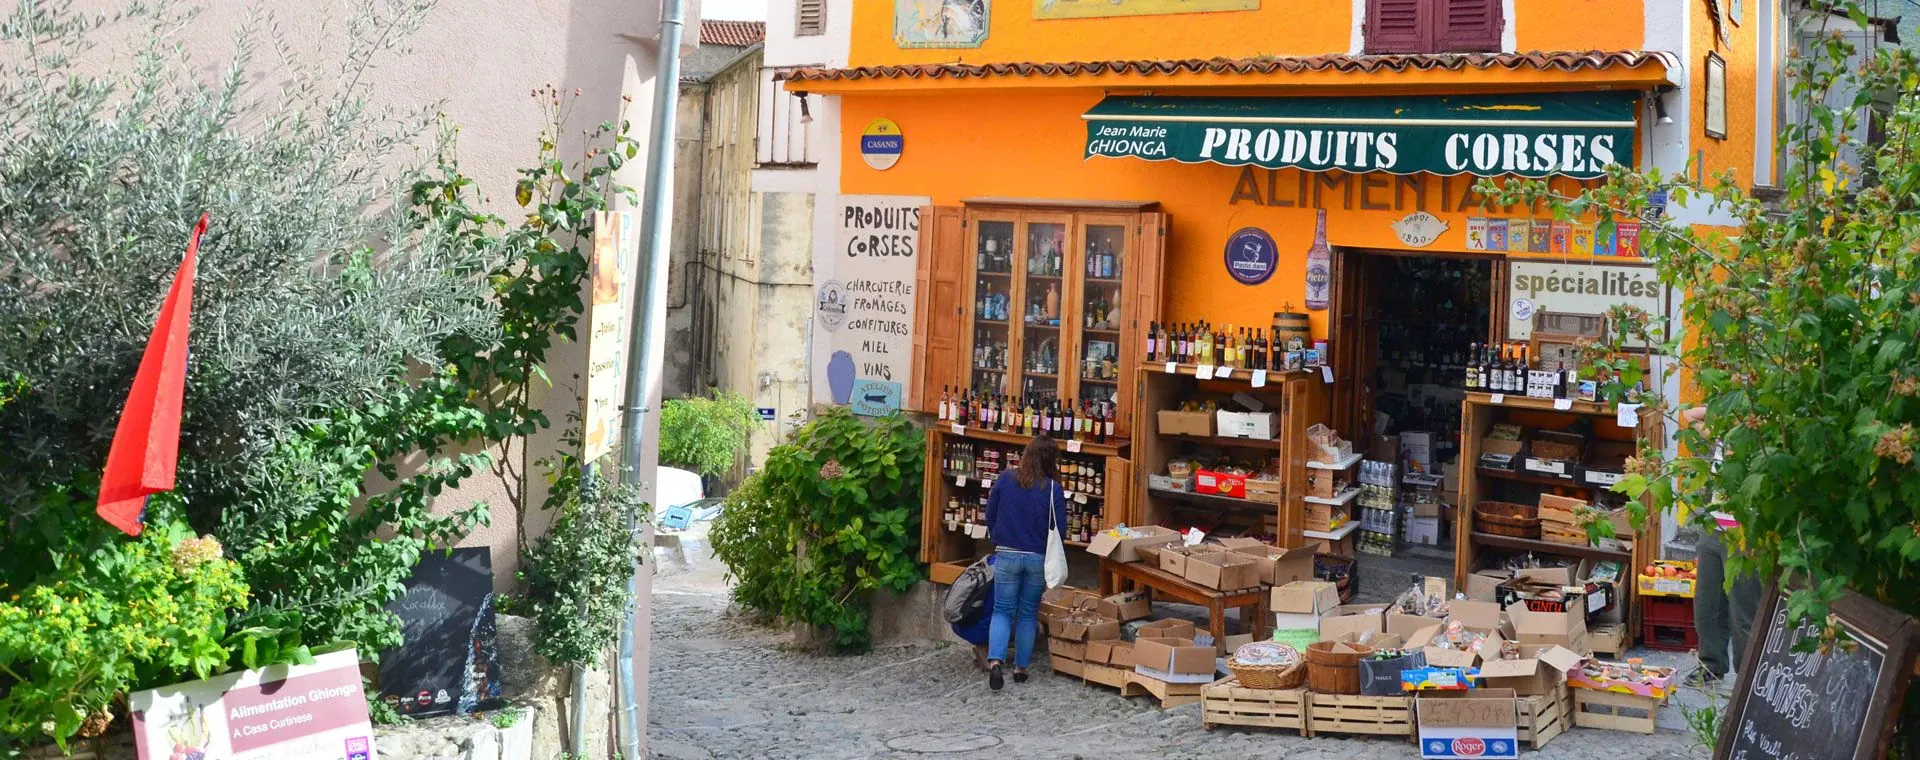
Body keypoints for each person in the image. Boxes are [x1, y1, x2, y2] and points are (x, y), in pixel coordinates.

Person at [1680, 406, 1764, 687]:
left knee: (1743, 613)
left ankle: (1747, 678)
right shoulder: (1724, 433)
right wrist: (1724, 408)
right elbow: (1690, 415)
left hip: (1744, 534)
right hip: (1713, 528)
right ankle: (1711, 665)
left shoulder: (1762, 439)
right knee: (1706, 604)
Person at [983, 435, 1068, 691]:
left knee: (1002, 610)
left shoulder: (1006, 478)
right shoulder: (1053, 488)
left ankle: (996, 662)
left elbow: (990, 512)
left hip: (1007, 552)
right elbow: (1060, 529)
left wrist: (998, 534)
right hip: (1036, 556)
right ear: (1051, 460)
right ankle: (1021, 668)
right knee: (1028, 613)